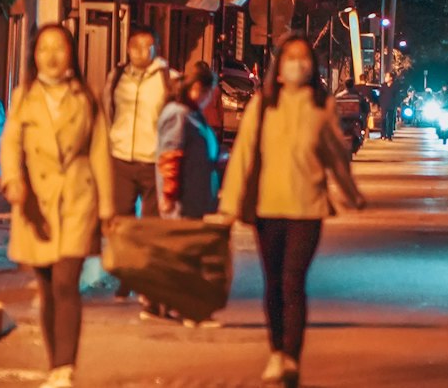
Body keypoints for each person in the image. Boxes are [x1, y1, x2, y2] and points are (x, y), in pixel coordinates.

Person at [219, 34, 366, 387]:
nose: (298, 63)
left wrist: (350, 194)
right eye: (291, 58)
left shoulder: (321, 107)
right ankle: (276, 352)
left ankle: (291, 358)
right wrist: (228, 205)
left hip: (307, 208)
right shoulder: (263, 105)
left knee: (292, 281)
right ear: (279, 68)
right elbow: (243, 155)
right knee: (273, 284)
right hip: (267, 207)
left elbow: (335, 156)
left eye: (304, 58)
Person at [0, 25, 114, 388]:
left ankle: (65, 367)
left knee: (67, 282)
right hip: (36, 202)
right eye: (43, 48)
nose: (51, 56)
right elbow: (10, 145)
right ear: (34, 55)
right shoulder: (23, 97)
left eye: (59, 48)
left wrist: (108, 207)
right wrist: (13, 181)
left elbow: (100, 152)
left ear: (71, 54)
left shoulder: (86, 96)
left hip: (77, 198)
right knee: (48, 287)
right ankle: (55, 365)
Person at [103, 26, 171, 226]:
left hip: (153, 161)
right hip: (121, 159)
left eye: (147, 46)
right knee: (121, 220)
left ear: (156, 48)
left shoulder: (168, 78)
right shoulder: (116, 76)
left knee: (151, 222)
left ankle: (147, 256)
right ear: (127, 48)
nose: (140, 51)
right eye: (135, 46)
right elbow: (108, 109)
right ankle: (126, 256)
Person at [156, 62, 220, 221]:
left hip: (193, 205)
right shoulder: (178, 115)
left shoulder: (192, 114)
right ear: (198, 88)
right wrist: (169, 196)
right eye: (209, 92)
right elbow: (171, 156)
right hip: (181, 207)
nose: (210, 98)